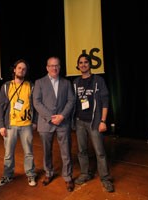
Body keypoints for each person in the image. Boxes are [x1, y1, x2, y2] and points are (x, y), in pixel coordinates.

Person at [32, 56, 76, 192]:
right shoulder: (39, 82)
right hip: (46, 123)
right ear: (47, 67)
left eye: (57, 65)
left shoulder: (66, 83)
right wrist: (51, 118)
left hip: (63, 122)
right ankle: (49, 173)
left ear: (60, 67)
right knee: (47, 151)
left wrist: (62, 116)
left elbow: (71, 101)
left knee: (66, 152)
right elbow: (37, 102)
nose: (54, 68)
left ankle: (68, 177)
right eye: (51, 65)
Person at [72, 53, 114, 192]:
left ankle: (105, 178)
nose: (83, 64)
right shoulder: (76, 82)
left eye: (86, 62)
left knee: (100, 152)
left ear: (90, 64)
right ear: (78, 66)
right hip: (79, 122)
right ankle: (85, 174)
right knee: (82, 151)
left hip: (95, 122)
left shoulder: (98, 80)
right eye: (81, 63)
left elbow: (105, 101)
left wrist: (103, 120)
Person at [0, 59, 37, 187]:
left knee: (29, 152)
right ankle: (7, 176)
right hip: (10, 126)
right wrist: (1, 125)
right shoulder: (6, 86)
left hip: (26, 125)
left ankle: (30, 175)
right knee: (8, 154)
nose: (21, 70)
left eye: (24, 69)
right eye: (19, 68)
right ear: (14, 70)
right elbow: (0, 107)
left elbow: (35, 106)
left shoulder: (31, 86)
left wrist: (34, 122)